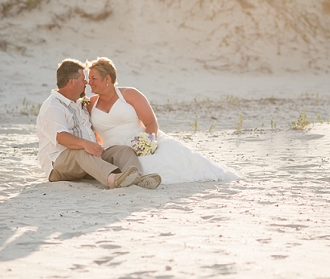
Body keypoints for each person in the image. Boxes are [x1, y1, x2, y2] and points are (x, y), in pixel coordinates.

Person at [86, 57, 242, 184]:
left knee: (169, 164)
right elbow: (90, 132)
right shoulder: (90, 103)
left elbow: (151, 122)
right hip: (112, 148)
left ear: (107, 78)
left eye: (93, 78)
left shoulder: (130, 94)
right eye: (88, 78)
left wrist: (147, 143)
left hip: (140, 140)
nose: (89, 82)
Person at [36, 58, 161, 190]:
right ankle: (113, 179)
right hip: (59, 164)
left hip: (88, 159)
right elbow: (60, 136)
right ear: (71, 82)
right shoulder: (53, 106)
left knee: (122, 151)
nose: (87, 83)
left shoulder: (79, 104)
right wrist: (86, 144)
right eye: (83, 79)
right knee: (82, 152)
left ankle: (138, 178)